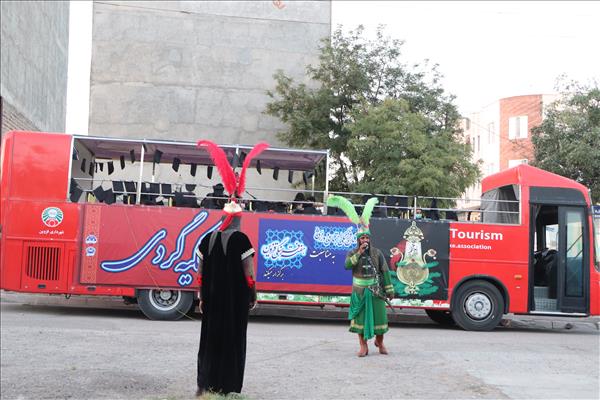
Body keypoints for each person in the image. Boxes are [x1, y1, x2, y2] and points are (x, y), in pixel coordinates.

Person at [195, 140, 268, 396]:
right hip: (234, 302)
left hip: (211, 299)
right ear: (237, 218)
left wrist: (202, 296)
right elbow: (249, 274)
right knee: (233, 340)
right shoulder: (241, 240)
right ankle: (228, 386)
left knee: (209, 340)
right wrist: (253, 295)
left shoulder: (207, 238)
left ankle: (206, 383)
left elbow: (200, 271)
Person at [327, 195, 395, 357]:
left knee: (380, 319)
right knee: (360, 321)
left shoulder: (377, 253)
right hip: (359, 292)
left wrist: (389, 290)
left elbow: (385, 271)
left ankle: (380, 342)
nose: (365, 240)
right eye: (362, 238)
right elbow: (347, 265)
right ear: (358, 240)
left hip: (375, 291)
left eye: (367, 238)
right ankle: (363, 346)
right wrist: (358, 253)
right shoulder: (352, 252)